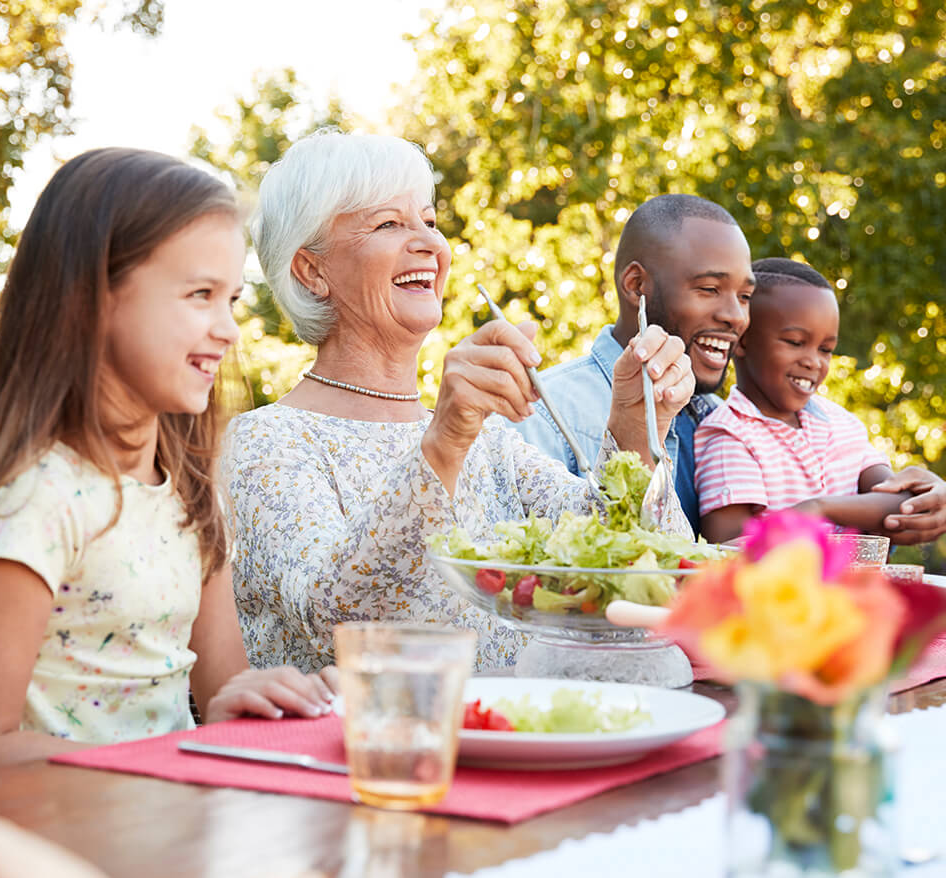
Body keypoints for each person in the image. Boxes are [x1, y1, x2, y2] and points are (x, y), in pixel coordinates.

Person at [225, 131, 695, 674]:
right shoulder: (267, 441)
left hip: (510, 745)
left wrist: (636, 433)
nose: (430, 242)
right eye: (387, 223)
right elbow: (341, 625)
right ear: (312, 271)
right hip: (371, 754)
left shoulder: (487, 439)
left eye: (428, 220)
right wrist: (444, 442)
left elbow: (637, 576)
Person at [0, 148, 335, 777]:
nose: (228, 329)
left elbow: (224, 690)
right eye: (201, 294)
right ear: (94, 301)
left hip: (172, 826)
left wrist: (265, 702)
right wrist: (165, 761)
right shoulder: (36, 504)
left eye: (231, 298)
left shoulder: (193, 495)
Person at [510, 194, 754, 534]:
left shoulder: (718, 419)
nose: (736, 317)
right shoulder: (543, 413)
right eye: (710, 288)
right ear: (637, 287)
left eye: (744, 296)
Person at [694, 258, 915, 542]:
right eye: (795, 342)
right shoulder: (730, 437)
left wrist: (821, 508)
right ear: (743, 340)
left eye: (825, 349)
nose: (814, 362)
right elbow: (731, 554)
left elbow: (901, 502)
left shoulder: (841, 424)